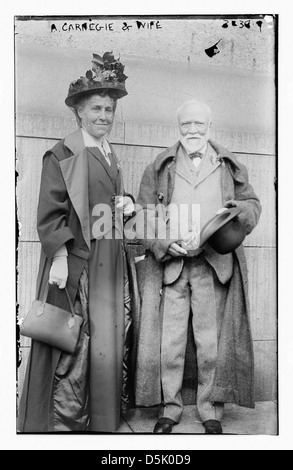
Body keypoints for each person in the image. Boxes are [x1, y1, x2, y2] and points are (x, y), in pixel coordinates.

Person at [18, 52, 135, 432]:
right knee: (72, 339)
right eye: (97, 108)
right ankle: (60, 426)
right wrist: (60, 258)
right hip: (76, 261)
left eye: (109, 110)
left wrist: (127, 203)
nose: (104, 116)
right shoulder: (63, 153)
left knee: (103, 337)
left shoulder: (110, 154)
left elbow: (105, 202)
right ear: (80, 113)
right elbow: (50, 211)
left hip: (108, 258)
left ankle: (100, 419)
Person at [134, 98, 261, 434]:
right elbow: (144, 215)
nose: (192, 130)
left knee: (210, 345)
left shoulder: (228, 166)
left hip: (213, 265)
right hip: (172, 268)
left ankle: (210, 411)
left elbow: (253, 205)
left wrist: (238, 212)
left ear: (210, 126)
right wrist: (162, 243)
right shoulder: (159, 167)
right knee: (169, 344)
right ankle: (170, 409)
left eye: (198, 124)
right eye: (186, 124)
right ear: (179, 127)